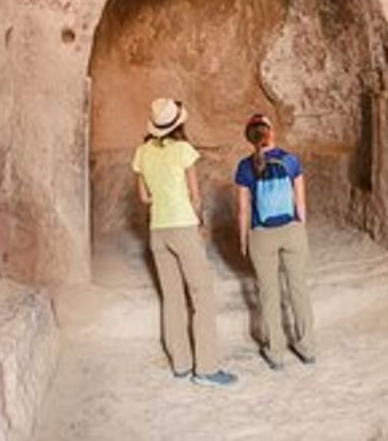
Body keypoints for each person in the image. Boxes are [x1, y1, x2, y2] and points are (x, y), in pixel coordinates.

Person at [133, 98, 236, 387]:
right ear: (178, 124)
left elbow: (144, 198)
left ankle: (180, 364)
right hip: (183, 226)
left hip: (157, 229)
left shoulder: (142, 153)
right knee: (202, 294)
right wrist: (199, 221)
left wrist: (162, 201)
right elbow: (195, 195)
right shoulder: (183, 150)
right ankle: (206, 368)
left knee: (172, 297)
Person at [235, 113, 316, 370]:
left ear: (250, 138)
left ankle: (276, 353)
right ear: (271, 133)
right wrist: (299, 228)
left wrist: (243, 240)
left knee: (269, 294)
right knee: (299, 289)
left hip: (262, 235)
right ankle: (307, 347)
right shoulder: (291, 161)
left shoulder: (245, 166)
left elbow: (243, 210)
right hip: (292, 230)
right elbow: (300, 202)